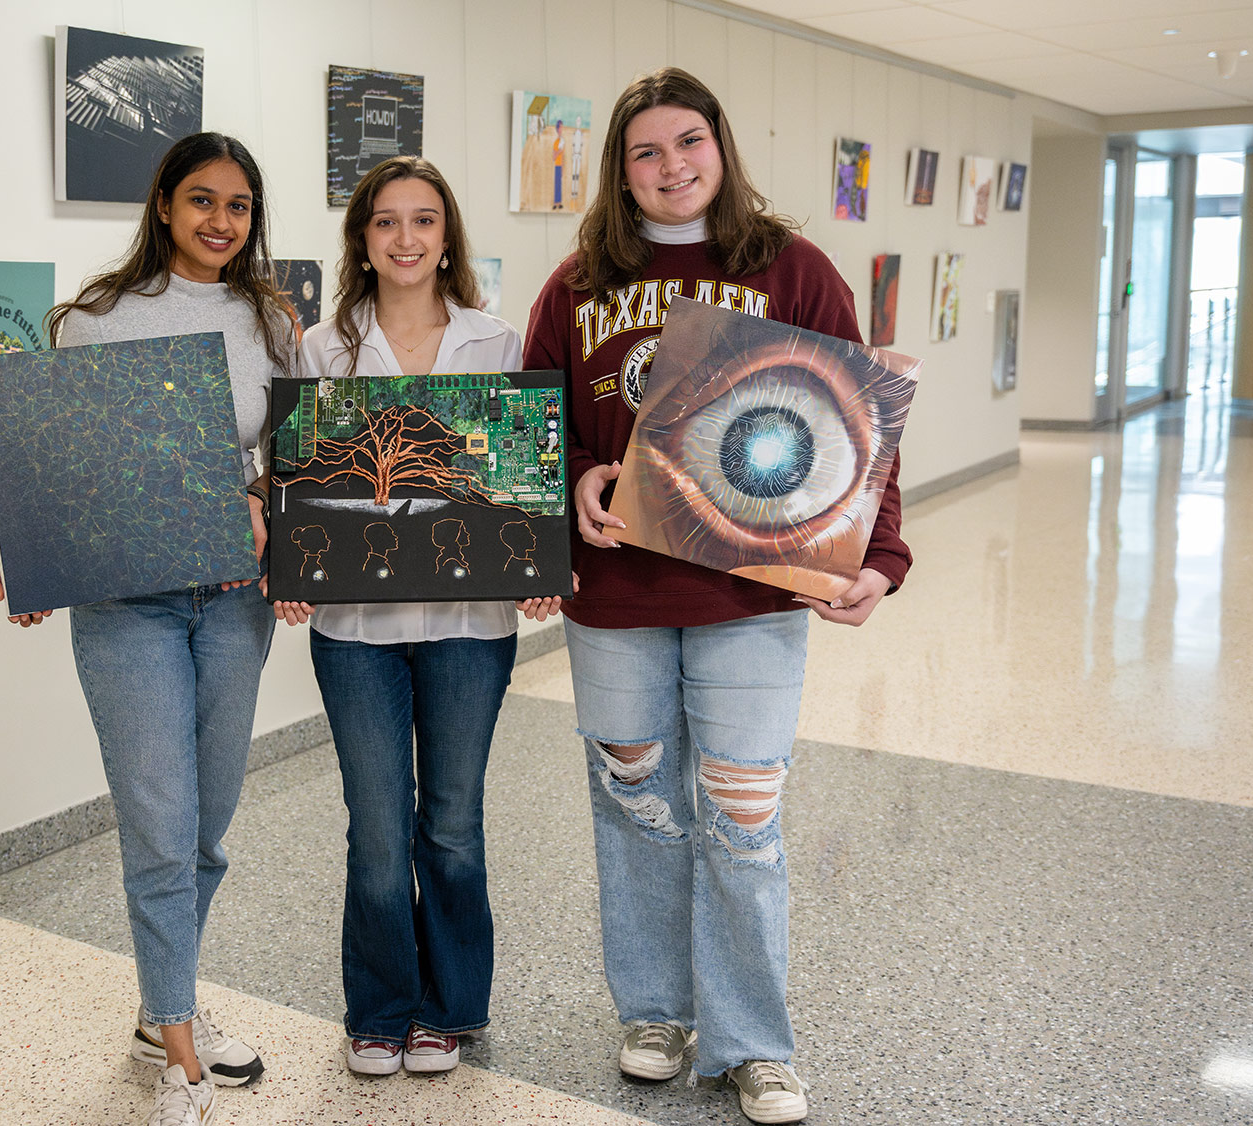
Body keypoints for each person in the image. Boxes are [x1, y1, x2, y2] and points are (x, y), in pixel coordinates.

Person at [522, 67, 912, 1126]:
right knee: (636, 807)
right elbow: (534, 432)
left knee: (742, 816)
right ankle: (653, 1011)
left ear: (720, 146)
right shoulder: (574, 286)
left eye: (687, 142)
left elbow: (859, 429)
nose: (670, 167)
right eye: (644, 152)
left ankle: (750, 1042)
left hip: (752, 596)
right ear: (619, 169)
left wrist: (878, 554)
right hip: (616, 596)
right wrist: (570, 486)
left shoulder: (790, 269)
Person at [0, 132, 296, 1126]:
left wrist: (261, 497)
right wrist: (29, 549)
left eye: (237, 206)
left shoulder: (271, 322)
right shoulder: (91, 322)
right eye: (200, 200)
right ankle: (180, 1055)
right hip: (128, 607)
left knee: (204, 831)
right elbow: (64, 463)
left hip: (234, 599)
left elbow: (289, 460)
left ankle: (159, 1004)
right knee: (159, 831)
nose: (219, 221)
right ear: (162, 205)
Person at [272, 156, 563, 1078]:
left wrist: (535, 563)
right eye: (387, 222)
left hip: (472, 627)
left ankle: (450, 1008)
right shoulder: (322, 350)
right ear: (363, 238)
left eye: (424, 221)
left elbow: (522, 479)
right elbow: (296, 480)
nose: (406, 239)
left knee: (452, 821)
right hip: (354, 632)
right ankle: (381, 1009)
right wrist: (292, 562)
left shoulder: (497, 339)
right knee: (375, 823)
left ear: (447, 237)